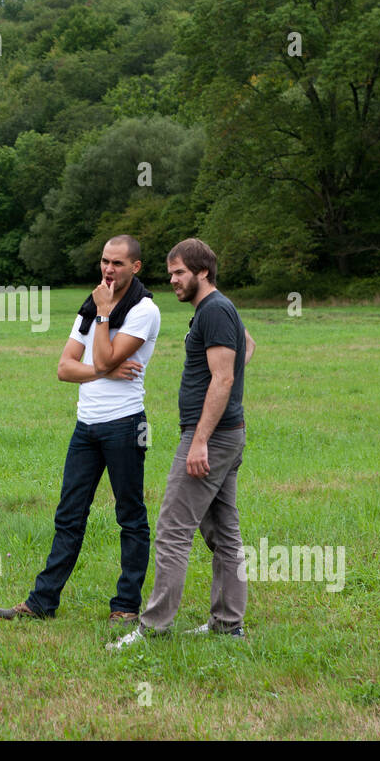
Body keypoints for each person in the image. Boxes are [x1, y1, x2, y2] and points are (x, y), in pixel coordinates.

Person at [0, 234, 161, 623]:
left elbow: (102, 354)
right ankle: (41, 603)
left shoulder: (144, 310)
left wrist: (103, 319)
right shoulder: (91, 304)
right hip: (86, 426)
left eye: (117, 263)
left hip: (124, 424)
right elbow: (64, 368)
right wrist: (103, 368)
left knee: (129, 515)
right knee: (69, 515)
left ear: (135, 267)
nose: (108, 269)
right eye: (104, 261)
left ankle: (125, 607)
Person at [108, 237, 255, 649]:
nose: (171, 280)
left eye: (179, 273)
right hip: (225, 433)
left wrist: (200, 440)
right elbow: (247, 347)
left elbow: (224, 376)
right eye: (170, 272)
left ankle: (153, 628)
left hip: (211, 436)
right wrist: (225, 385)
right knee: (223, 533)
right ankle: (228, 624)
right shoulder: (215, 310)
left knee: (173, 530)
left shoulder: (215, 310)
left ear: (202, 272)